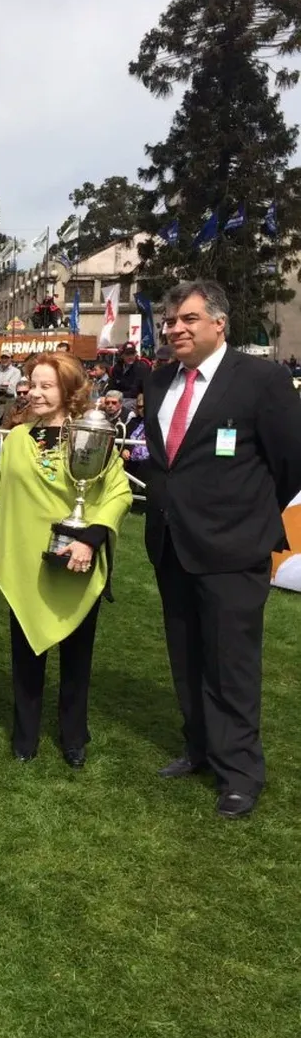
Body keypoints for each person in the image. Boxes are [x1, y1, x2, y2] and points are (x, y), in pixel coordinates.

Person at [143, 281, 301, 818]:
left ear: (219, 323)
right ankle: (200, 749)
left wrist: (247, 515)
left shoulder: (263, 380)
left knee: (231, 664)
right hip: (171, 543)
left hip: (234, 548)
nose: (175, 329)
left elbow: (289, 463)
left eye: (187, 319)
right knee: (186, 656)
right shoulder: (159, 380)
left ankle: (240, 772)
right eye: (170, 321)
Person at [0, 354, 131, 766]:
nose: (35, 392)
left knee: (77, 658)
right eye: (32, 384)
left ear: (69, 391)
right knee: (25, 656)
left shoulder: (91, 436)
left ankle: (73, 737)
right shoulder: (18, 439)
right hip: (25, 564)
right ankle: (25, 736)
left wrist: (90, 540)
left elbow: (117, 493)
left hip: (76, 561)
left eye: (47, 385)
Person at [108, 342, 148, 411]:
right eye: (127, 354)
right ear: (122, 355)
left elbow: (135, 391)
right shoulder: (117, 368)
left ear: (135, 354)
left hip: (134, 399)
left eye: (132, 354)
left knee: (122, 407)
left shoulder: (141, 367)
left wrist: (118, 396)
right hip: (117, 397)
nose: (130, 357)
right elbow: (112, 385)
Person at [0, 353, 21, 429]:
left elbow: (11, 389)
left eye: (7, 358)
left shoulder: (16, 372)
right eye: (2, 358)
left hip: (9, 405)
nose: (4, 360)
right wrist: (1, 384)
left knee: (6, 429)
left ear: (11, 359)